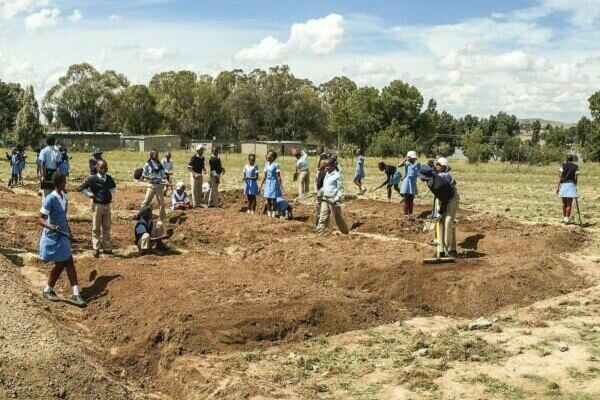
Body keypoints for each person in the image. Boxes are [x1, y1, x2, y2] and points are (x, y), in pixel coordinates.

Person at [39, 171, 86, 307]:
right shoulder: (50, 199)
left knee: (66, 261)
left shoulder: (64, 197)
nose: (66, 183)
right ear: (60, 183)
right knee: (64, 262)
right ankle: (73, 294)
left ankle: (55, 291)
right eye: (65, 181)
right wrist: (51, 226)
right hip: (54, 236)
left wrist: (70, 233)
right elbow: (40, 218)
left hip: (63, 235)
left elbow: (64, 219)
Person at [419, 157, 459, 258]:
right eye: (436, 164)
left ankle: (447, 250)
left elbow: (451, 186)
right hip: (443, 197)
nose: (437, 166)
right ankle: (443, 249)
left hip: (451, 198)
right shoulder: (435, 176)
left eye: (439, 165)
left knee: (448, 221)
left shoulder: (444, 176)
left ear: (444, 167)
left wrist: (440, 213)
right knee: (441, 222)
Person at [79, 159, 116, 258]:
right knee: (96, 227)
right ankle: (96, 248)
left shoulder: (108, 178)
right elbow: (82, 187)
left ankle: (107, 247)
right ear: (97, 168)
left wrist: (110, 195)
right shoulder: (92, 179)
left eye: (105, 167)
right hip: (97, 205)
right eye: (102, 167)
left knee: (107, 227)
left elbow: (113, 188)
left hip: (107, 205)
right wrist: (90, 195)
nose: (104, 169)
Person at [316, 158, 349, 234]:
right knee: (323, 217)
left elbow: (340, 189)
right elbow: (325, 186)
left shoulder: (337, 176)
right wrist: (320, 193)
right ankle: (319, 233)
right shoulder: (327, 174)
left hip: (333, 200)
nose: (326, 168)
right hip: (325, 198)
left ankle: (345, 232)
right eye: (325, 166)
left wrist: (336, 199)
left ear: (333, 166)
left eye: (328, 166)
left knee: (338, 218)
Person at [141, 148, 167, 221]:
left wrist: (165, 179)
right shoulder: (147, 164)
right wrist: (149, 177)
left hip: (159, 186)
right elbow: (143, 175)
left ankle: (163, 219)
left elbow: (163, 174)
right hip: (151, 186)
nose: (156, 155)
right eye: (154, 154)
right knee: (146, 202)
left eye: (156, 154)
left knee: (161, 203)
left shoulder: (159, 164)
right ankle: (141, 215)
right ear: (151, 155)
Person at [260, 150, 284, 218]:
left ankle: (273, 213)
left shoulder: (276, 165)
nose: (267, 156)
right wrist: (261, 185)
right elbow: (265, 176)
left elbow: (279, 176)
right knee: (268, 199)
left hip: (274, 183)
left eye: (269, 155)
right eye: (267, 154)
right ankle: (269, 213)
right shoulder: (266, 164)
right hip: (268, 183)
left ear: (273, 157)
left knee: (274, 199)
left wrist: (281, 186)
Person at [557, 154, 580, 224]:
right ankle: (566, 219)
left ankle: (565, 218)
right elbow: (576, 178)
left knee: (564, 203)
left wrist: (558, 187)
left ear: (566, 159)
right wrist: (575, 187)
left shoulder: (563, 166)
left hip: (563, 185)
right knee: (569, 203)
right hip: (571, 185)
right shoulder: (576, 167)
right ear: (572, 159)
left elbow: (560, 177)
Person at [399, 151, 421, 219]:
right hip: (407, 183)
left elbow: (418, 173)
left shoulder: (418, 165)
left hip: (413, 183)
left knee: (411, 200)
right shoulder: (407, 163)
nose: (414, 159)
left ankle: (410, 215)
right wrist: (405, 159)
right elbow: (399, 165)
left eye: (414, 158)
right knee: (406, 200)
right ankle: (406, 215)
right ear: (409, 158)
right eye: (412, 158)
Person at [315, 158, 328, 225]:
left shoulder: (321, 172)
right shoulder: (329, 172)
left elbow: (318, 183)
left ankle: (318, 219)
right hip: (328, 192)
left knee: (318, 205)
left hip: (321, 191)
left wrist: (318, 190)